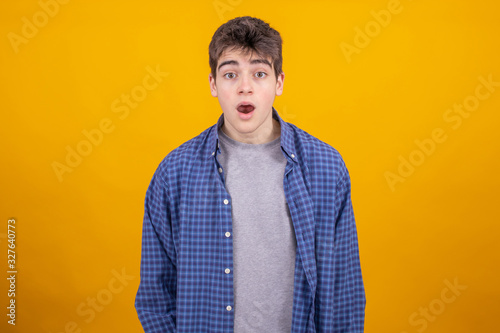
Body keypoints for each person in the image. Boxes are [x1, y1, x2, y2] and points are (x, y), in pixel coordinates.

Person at [135, 16, 365, 333]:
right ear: (213, 84)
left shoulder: (326, 167)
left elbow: (344, 294)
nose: (245, 87)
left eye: (259, 73)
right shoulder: (174, 173)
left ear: (279, 83)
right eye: (230, 74)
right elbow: (155, 296)